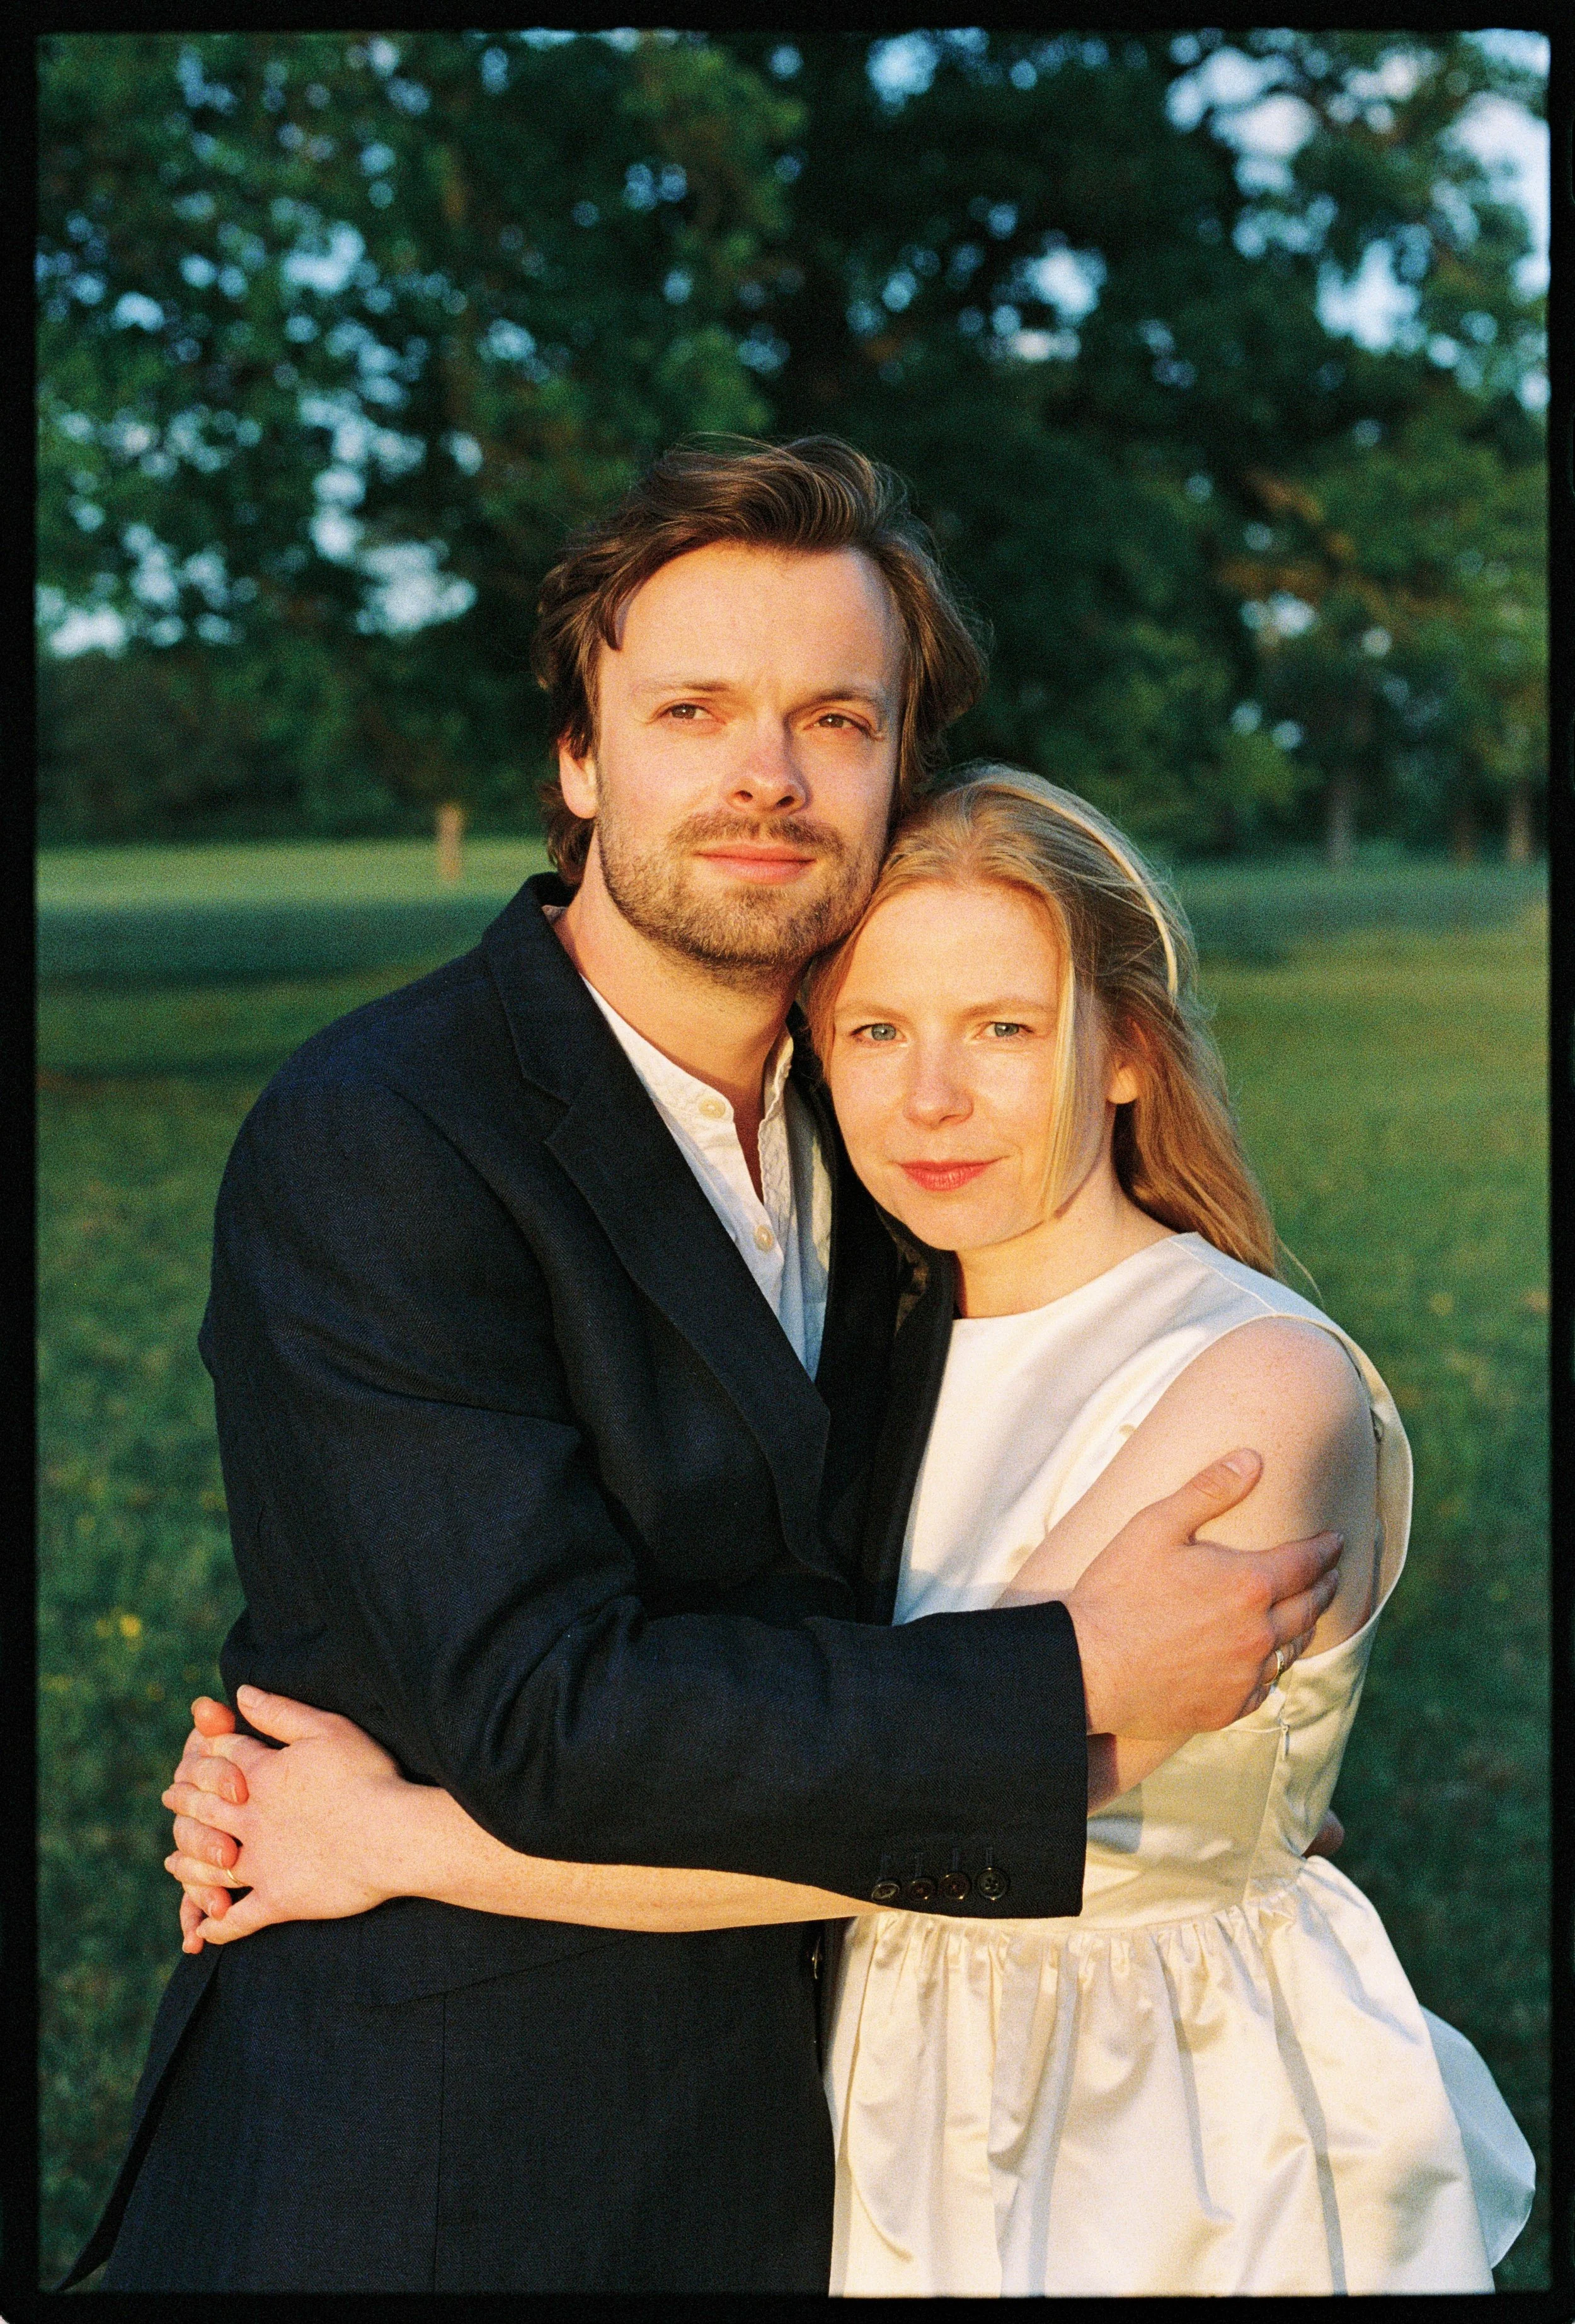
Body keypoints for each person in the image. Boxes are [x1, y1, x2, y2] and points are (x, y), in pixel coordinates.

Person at [65, 441, 1343, 2297]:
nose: (766, 775)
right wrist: (1068, 1684)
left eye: (835, 718)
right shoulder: (384, 1132)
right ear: (579, 762)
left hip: (842, 2136)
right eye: (692, 711)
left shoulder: (892, 1132)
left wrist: (1217, 1800)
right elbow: (548, 1713)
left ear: (901, 766)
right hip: (459, 2163)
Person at [160, 772, 1534, 2296]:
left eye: (1003, 1028)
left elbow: (927, 1808)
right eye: (876, 1030)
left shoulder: (1251, 1381)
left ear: (1128, 1050)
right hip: (895, 2100)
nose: (928, 1097)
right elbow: (820, 1733)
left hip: (1147, 2128)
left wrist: (386, 1835)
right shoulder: (883, 1337)